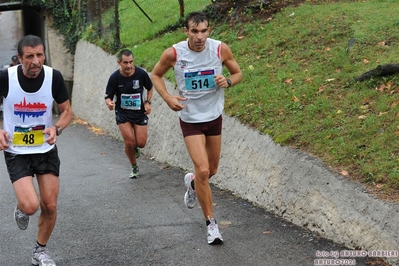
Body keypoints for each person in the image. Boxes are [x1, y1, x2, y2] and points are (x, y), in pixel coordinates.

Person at [151, 11, 242, 244]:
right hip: (190, 119)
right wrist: (167, 97)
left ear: (209, 30)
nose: (199, 36)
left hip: (214, 117)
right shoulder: (174, 53)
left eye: (203, 31)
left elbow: (237, 72)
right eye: (194, 31)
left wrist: (228, 81)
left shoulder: (221, 49)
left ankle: (192, 184)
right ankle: (211, 225)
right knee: (202, 170)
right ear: (186, 31)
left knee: (211, 171)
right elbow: (155, 75)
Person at [0, 35, 72, 266]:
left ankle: (40, 251)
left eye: (39, 55)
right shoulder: (5, 78)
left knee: (49, 205)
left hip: (45, 149)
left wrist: (57, 128)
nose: (35, 61)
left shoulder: (54, 77)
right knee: (31, 206)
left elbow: (66, 111)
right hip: (16, 150)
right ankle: (22, 207)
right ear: (19, 59)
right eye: (29, 56)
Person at [105, 49, 153, 178]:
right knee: (129, 142)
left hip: (139, 113)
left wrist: (147, 102)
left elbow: (150, 87)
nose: (128, 66)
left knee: (141, 143)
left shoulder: (141, 74)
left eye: (131, 62)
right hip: (123, 113)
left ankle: (132, 149)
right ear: (119, 62)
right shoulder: (115, 77)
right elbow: (108, 96)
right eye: (125, 63)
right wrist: (109, 103)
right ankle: (134, 167)